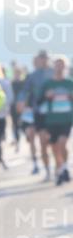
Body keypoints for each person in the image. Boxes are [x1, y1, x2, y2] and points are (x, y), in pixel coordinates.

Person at [37, 56, 73, 185]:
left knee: (62, 143)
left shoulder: (70, 82)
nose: (59, 67)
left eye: (62, 65)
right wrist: (47, 96)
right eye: (57, 65)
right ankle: (61, 169)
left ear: (65, 67)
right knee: (55, 147)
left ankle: (64, 167)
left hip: (66, 118)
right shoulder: (48, 84)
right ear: (54, 67)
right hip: (51, 119)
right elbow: (38, 100)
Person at [23, 50, 54, 179]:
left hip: (55, 112)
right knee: (42, 141)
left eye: (45, 58)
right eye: (41, 58)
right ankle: (47, 170)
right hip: (37, 112)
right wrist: (21, 103)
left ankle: (60, 166)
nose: (43, 60)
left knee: (56, 143)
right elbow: (25, 92)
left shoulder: (55, 72)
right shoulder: (32, 76)